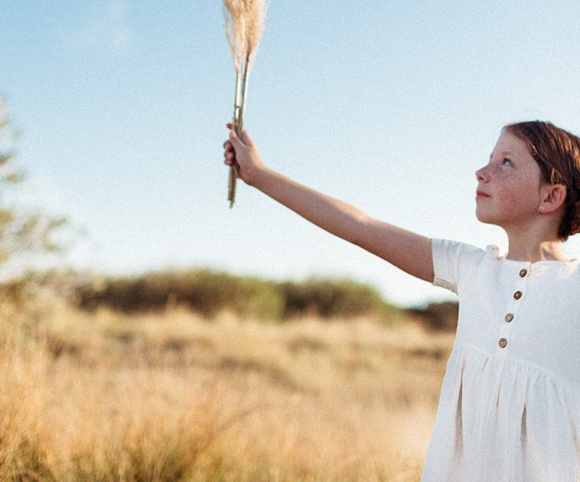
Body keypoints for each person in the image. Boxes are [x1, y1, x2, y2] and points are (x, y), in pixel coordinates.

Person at [223, 120, 580, 482]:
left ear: (551, 196)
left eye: (506, 162)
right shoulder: (469, 267)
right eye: (489, 158)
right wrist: (259, 175)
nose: (481, 172)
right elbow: (360, 225)